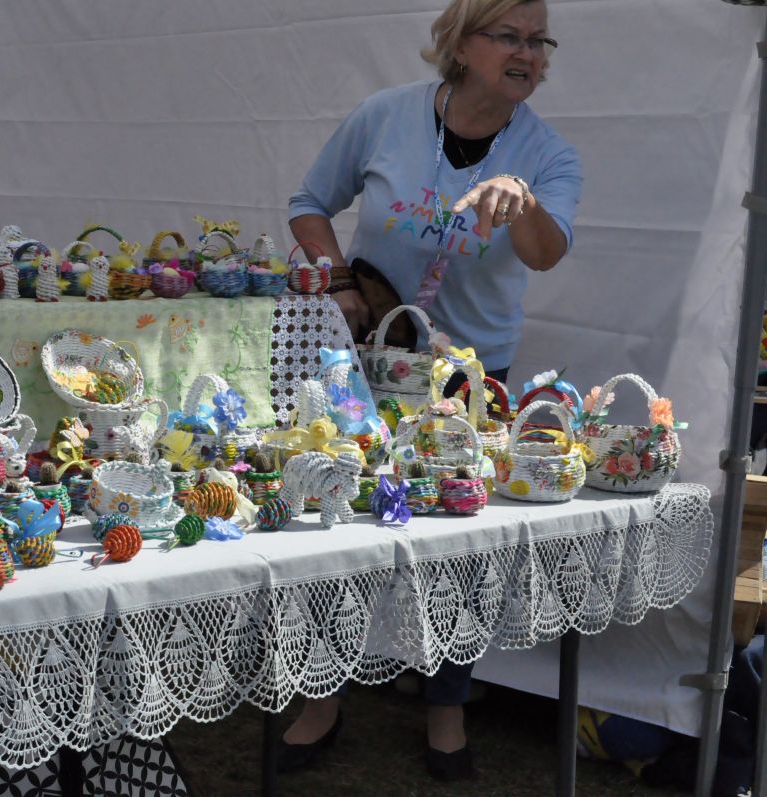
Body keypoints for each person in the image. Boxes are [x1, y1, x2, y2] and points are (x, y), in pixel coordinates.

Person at [282, 0, 582, 781]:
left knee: (459, 545)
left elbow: (545, 253)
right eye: (509, 36)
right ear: (461, 42)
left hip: (469, 380)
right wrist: (339, 279)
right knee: (337, 522)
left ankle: (447, 708)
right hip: (368, 362)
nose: (528, 54)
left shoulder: (547, 154)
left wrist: (525, 203)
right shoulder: (386, 116)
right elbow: (309, 204)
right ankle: (322, 697)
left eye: (538, 42)